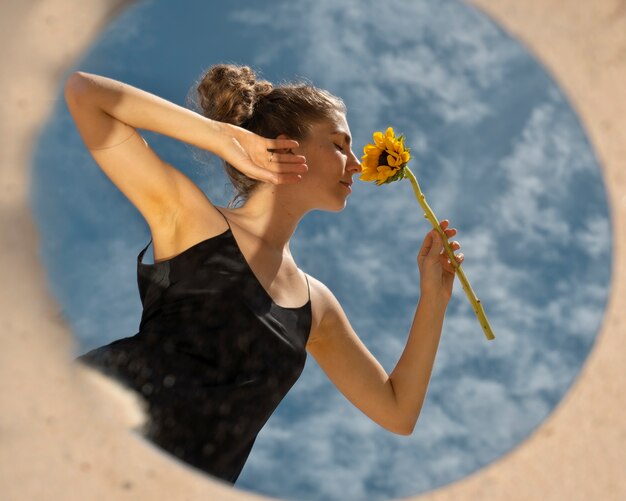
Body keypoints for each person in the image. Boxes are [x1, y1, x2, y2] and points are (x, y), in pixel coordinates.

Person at [65, 64, 464, 485]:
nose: (356, 165)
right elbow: (85, 94)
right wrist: (224, 137)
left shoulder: (316, 306)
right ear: (287, 146)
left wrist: (433, 301)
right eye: (339, 144)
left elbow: (397, 411)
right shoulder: (191, 218)